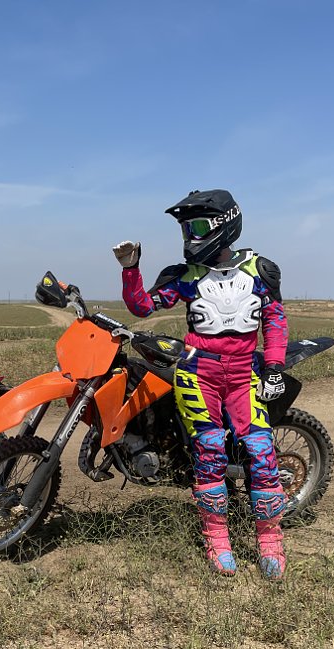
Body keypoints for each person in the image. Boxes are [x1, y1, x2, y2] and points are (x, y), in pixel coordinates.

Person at [112, 189, 289, 580]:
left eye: (195, 227)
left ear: (222, 225)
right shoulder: (185, 277)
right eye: (184, 229)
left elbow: (275, 322)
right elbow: (142, 306)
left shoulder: (261, 271)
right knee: (208, 453)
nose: (189, 237)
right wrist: (130, 268)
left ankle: (271, 541)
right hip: (198, 373)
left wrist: (274, 368)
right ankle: (217, 540)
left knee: (262, 452)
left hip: (244, 374)